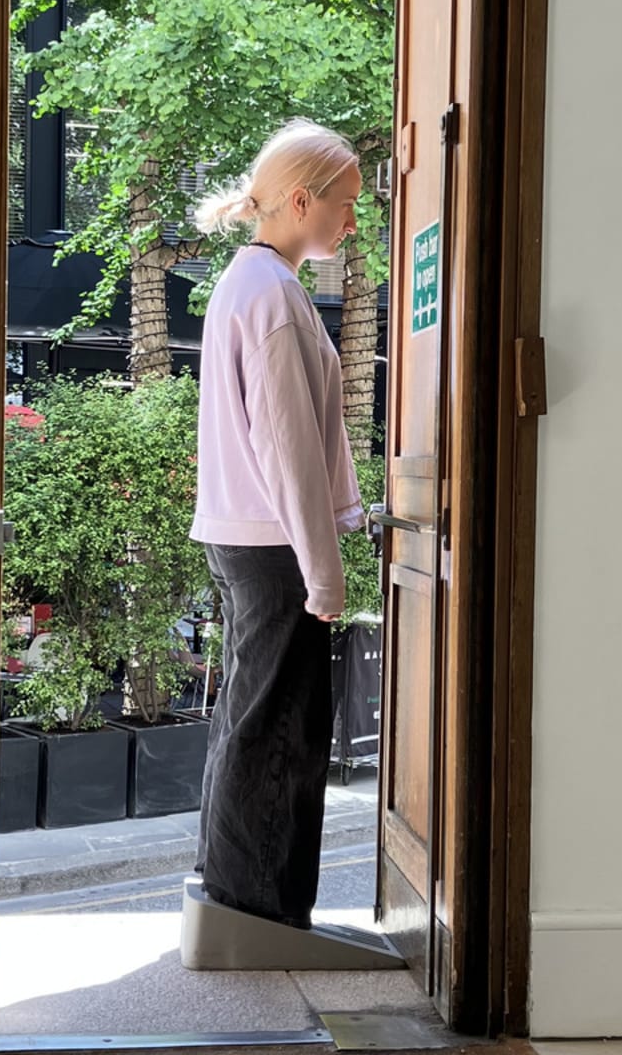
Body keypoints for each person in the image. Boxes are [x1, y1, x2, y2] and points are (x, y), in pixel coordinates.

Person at [188, 118, 367, 931]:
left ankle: (232, 896)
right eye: (346, 205)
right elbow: (290, 450)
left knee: (253, 718)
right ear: (301, 200)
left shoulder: (247, 284)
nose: (354, 222)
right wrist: (324, 574)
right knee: (282, 731)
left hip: (246, 537)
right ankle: (256, 913)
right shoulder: (276, 301)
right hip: (274, 545)